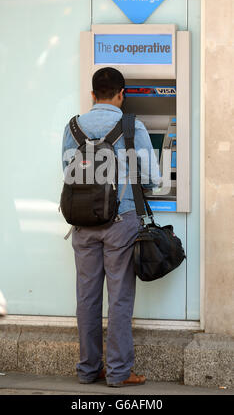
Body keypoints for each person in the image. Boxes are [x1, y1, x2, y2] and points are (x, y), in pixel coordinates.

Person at [62, 67, 159, 387]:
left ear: (92, 95)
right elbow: (152, 179)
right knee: (119, 298)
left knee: (86, 297)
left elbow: (68, 170)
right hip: (121, 220)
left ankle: (89, 369)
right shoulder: (132, 126)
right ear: (122, 94)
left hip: (82, 223)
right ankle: (118, 373)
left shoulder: (72, 127)